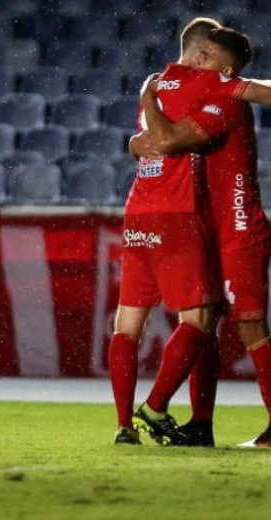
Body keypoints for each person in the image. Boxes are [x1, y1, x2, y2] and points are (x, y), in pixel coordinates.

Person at [107, 18, 271, 446]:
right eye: (201, 53)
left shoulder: (198, 92)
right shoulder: (193, 89)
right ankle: (196, 422)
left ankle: (140, 419)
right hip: (194, 221)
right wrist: (136, 138)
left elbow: (161, 141)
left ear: (220, 66)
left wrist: (144, 114)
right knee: (203, 320)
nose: (200, 60)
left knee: (242, 325)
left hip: (227, 223)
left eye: (208, 56)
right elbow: (155, 141)